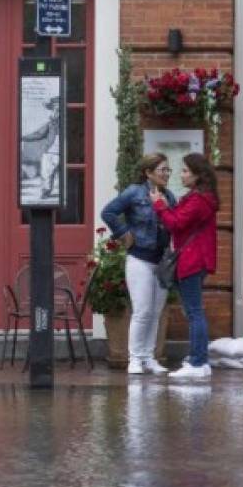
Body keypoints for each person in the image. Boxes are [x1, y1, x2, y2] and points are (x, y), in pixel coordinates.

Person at [101, 153, 176, 375]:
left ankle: (149, 357)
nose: (166, 174)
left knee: (155, 311)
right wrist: (124, 233)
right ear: (148, 173)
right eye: (162, 170)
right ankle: (134, 359)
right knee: (142, 310)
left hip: (161, 261)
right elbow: (108, 212)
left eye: (167, 170)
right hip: (140, 260)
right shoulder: (134, 193)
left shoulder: (169, 197)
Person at [151, 152, 219, 379]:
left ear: (198, 175)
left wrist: (159, 206)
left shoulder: (199, 200)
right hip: (193, 258)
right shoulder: (197, 197)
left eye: (185, 171)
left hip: (192, 259)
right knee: (193, 311)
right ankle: (198, 360)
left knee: (194, 312)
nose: (181, 174)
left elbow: (176, 223)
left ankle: (199, 363)